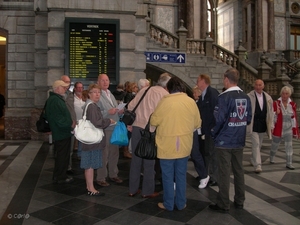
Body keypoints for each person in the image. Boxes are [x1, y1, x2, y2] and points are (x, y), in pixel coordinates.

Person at [150, 76, 201, 211]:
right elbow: (197, 123)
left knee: (167, 176)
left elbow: (154, 121)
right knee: (181, 175)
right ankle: (181, 203)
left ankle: (168, 204)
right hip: (184, 145)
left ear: (169, 88)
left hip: (166, 145)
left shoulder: (164, 102)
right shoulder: (191, 102)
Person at [209, 68, 252, 213]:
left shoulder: (223, 98)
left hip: (224, 141)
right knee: (239, 170)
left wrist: (214, 133)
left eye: (223, 79)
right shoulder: (245, 97)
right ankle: (240, 200)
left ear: (227, 79)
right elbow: (248, 119)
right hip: (239, 139)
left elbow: (219, 119)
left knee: (224, 172)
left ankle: (223, 203)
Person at [127, 74, 170, 199]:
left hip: (136, 128)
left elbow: (130, 106)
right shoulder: (164, 94)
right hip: (150, 131)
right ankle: (147, 190)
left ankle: (132, 189)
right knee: (149, 162)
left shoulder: (144, 90)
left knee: (135, 160)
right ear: (167, 85)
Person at [81, 84, 113, 196]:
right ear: (89, 94)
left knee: (89, 164)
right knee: (89, 165)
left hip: (89, 140)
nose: (97, 94)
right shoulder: (92, 106)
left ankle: (89, 186)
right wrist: (109, 121)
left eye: (99, 92)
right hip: (92, 140)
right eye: (94, 92)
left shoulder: (89, 105)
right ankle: (91, 188)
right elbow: (97, 122)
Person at [45, 80, 76, 184]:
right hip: (62, 132)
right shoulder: (55, 100)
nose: (65, 89)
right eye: (63, 87)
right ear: (57, 88)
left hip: (62, 132)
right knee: (62, 156)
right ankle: (60, 177)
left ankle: (59, 175)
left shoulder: (56, 99)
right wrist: (70, 124)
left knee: (63, 155)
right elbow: (58, 118)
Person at [96, 74, 123, 186]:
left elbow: (114, 109)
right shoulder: (97, 94)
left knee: (114, 153)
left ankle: (113, 174)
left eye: (107, 80)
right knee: (104, 154)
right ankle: (101, 177)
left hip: (114, 127)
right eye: (102, 80)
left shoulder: (110, 93)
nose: (105, 82)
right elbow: (96, 113)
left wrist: (119, 111)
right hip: (105, 128)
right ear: (98, 82)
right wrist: (108, 112)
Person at [196, 74, 219, 186]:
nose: (196, 82)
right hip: (204, 129)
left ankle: (214, 176)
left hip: (211, 130)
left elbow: (216, 112)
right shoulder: (203, 95)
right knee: (206, 152)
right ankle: (206, 174)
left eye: (198, 80)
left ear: (203, 81)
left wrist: (213, 128)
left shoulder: (212, 94)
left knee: (212, 153)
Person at [247, 79, 273, 173]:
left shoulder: (268, 98)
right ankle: (258, 165)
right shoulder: (249, 96)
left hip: (263, 124)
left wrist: (272, 125)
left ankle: (253, 159)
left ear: (263, 86)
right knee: (256, 144)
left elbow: (271, 113)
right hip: (253, 123)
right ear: (254, 86)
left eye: (260, 85)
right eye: (256, 85)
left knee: (259, 144)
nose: (258, 87)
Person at [270, 86, 299, 170]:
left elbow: (294, 118)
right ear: (281, 94)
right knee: (275, 145)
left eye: (286, 94)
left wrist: (295, 130)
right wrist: (276, 113)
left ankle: (289, 163)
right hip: (278, 128)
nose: (284, 95)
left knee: (289, 146)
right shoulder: (276, 103)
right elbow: (271, 117)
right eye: (283, 93)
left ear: (289, 95)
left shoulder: (292, 104)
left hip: (288, 129)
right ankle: (272, 156)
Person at [190, 86, 209, 189]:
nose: (193, 95)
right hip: (196, 132)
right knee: (196, 154)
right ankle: (202, 174)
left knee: (196, 154)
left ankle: (204, 175)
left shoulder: (200, 104)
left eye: (195, 93)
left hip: (198, 131)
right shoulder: (195, 103)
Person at [61, 75, 77, 175]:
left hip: (71, 123)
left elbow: (72, 109)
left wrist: (74, 120)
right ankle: (62, 168)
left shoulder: (70, 94)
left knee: (70, 147)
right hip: (63, 124)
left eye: (69, 82)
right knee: (62, 148)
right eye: (66, 82)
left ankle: (68, 166)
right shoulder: (58, 94)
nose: (68, 84)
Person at [73, 82, 85, 159]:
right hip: (75, 121)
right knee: (74, 138)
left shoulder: (85, 97)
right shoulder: (72, 98)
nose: (80, 89)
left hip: (83, 121)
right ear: (75, 88)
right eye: (78, 87)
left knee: (82, 138)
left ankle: (80, 153)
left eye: (81, 87)